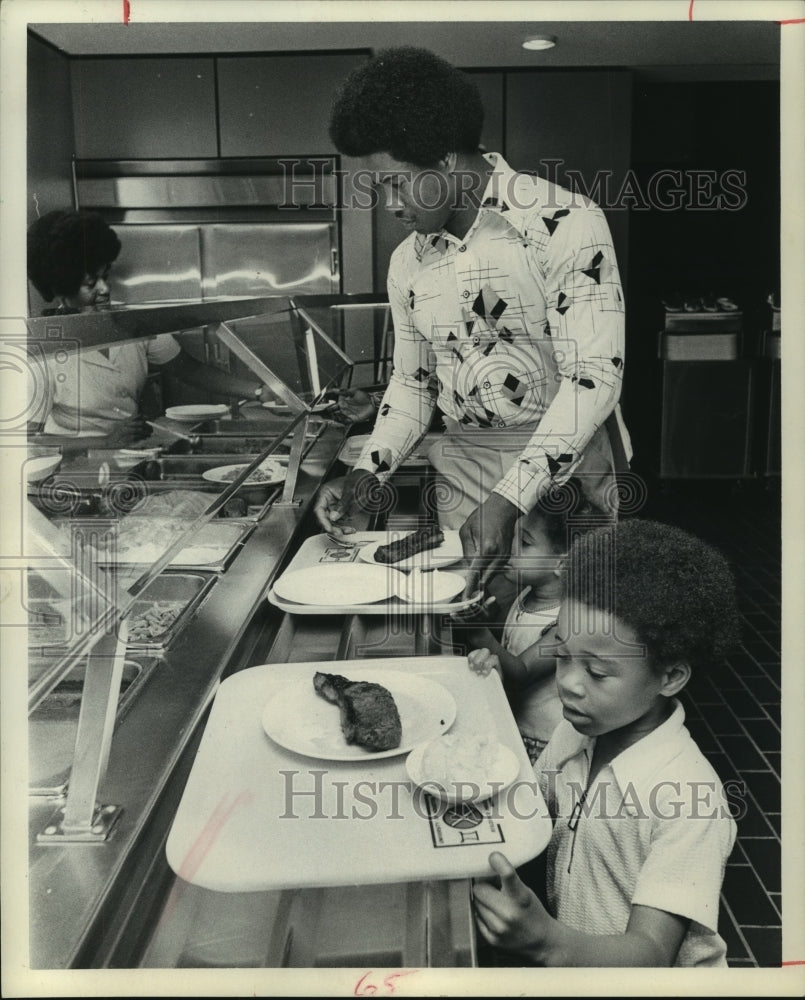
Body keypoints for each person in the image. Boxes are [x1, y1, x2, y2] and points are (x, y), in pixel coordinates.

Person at [315, 47, 630, 598]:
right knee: (474, 638)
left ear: (443, 160)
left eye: (393, 183)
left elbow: (594, 378)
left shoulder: (563, 221)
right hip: (464, 468)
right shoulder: (408, 261)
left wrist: (510, 499)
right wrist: (369, 472)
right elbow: (413, 385)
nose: (385, 204)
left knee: (565, 641)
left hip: (565, 477)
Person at [472, 518, 741, 967]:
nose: (569, 685)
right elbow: (528, 811)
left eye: (596, 672)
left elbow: (651, 953)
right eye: (562, 656)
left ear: (670, 676)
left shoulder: (691, 803)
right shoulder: (575, 731)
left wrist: (546, 941)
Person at [26, 209, 273, 452]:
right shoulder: (45, 348)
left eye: (105, 276)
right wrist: (104, 442)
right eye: (91, 283)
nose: (104, 289)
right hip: (75, 469)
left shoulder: (132, 322)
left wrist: (260, 391)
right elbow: (28, 439)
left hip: (130, 456)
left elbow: (187, 368)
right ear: (63, 285)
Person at [462, 479, 611, 764]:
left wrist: (478, 634)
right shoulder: (528, 594)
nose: (510, 548)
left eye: (525, 543)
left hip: (542, 743)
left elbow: (521, 672)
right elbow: (513, 642)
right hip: (514, 724)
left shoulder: (566, 624)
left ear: (562, 563)